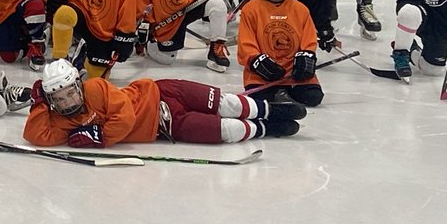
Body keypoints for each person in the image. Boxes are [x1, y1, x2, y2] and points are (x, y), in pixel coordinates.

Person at [23, 58, 304, 149]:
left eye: (70, 92)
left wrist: (100, 138)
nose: (67, 100)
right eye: (58, 98)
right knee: (227, 131)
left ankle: (270, 110)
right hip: (166, 126)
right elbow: (35, 136)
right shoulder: (60, 120)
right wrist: (37, 105)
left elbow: (125, 119)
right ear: (50, 101)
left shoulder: (96, 88)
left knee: (227, 103)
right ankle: (271, 128)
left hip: (165, 93)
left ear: (79, 85)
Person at [238, 0, 322, 106]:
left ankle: (283, 91)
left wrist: (306, 57)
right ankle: (280, 93)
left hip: (293, 72)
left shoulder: (300, 8)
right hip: (262, 75)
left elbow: (309, 39)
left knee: (313, 97)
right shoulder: (251, 9)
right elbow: (246, 43)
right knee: (259, 100)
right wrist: (257, 61)